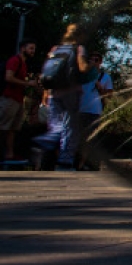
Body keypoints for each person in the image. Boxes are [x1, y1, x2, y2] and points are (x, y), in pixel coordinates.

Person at [32, 24, 90, 171]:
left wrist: (46, 93)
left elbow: (47, 72)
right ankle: (65, 160)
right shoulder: (79, 49)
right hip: (71, 93)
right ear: (80, 36)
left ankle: (46, 143)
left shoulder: (55, 49)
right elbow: (83, 68)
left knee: (56, 125)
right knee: (69, 128)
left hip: (53, 93)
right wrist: (91, 67)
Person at [1, 40, 37, 163]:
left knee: (13, 128)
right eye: (31, 48)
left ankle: (9, 154)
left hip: (18, 99)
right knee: (3, 126)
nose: (33, 51)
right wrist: (28, 83)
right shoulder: (15, 61)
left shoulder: (24, 64)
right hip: (9, 98)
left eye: (33, 49)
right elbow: (8, 77)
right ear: (23, 48)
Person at [75, 51, 112, 167]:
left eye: (96, 60)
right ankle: (74, 161)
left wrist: (100, 88)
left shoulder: (104, 77)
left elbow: (109, 95)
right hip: (80, 109)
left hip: (94, 111)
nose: (93, 62)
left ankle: (82, 163)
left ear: (100, 62)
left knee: (90, 138)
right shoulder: (82, 76)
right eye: (90, 59)